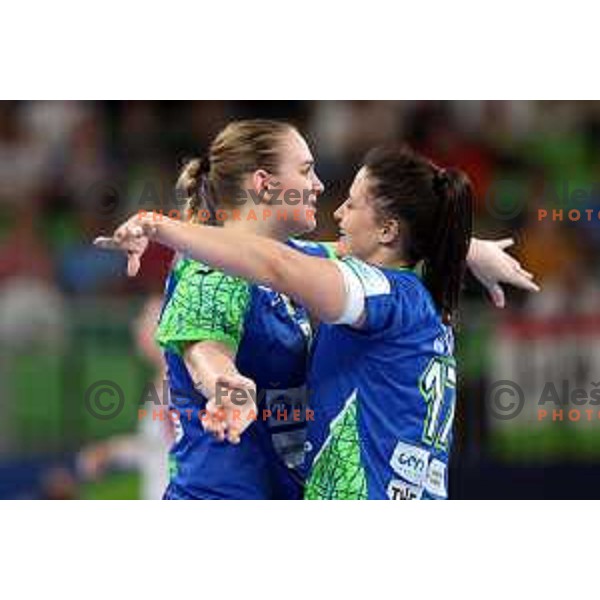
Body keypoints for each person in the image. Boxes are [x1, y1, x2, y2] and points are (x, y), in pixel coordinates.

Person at [97, 123, 538, 500]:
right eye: (306, 170)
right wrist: (224, 384)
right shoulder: (209, 265)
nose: (321, 187)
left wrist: (464, 247)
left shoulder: (306, 260)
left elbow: (373, 253)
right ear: (264, 183)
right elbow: (205, 350)